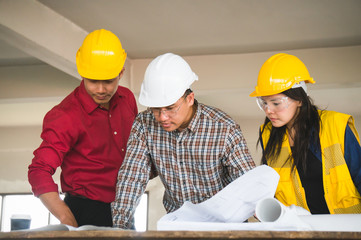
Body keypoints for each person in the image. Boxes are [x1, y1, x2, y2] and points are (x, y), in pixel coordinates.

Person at [111, 53, 256, 228]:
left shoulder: (224, 128)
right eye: (156, 109)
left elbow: (249, 184)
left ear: (190, 99)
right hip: (178, 225)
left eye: (170, 108)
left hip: (225, 227)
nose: (162, 117)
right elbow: (131, 178)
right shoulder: (144, 124)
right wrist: (120, 228)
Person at [28, 29, 138, 227]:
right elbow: (38, 170)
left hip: (126, 208)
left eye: (108, 81)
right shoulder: (65, 115)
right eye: (93, 80)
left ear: (121, 72)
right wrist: (65, 217)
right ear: (82, 73)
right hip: (84, 210)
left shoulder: (127, 99)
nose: (101, 90)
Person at [250, 53, 361, 214]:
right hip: (300, 229)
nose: (269, 110)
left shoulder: (335, 125)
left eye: (276, 103)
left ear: (300, 99)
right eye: (264, 103)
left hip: (347, 227)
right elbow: (271, 191)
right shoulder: (268, 136)